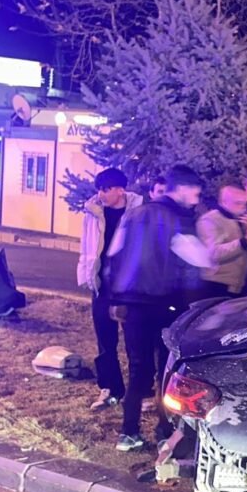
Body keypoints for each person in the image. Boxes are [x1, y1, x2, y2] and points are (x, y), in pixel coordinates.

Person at [106, 165, 211, 451]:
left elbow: (113, 256)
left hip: (133, 307)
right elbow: (200, 261)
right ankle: (164, 429)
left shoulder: (134, 214)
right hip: (167, 305)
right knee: (166, 370)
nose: (197, 197)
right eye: (194, 191)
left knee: (138, 369)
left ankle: (128, 432)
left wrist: (115, 298)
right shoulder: (179, 220)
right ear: (180, 189)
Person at [77, 168, 144, 412]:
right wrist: (86, 275)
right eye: (99, 189)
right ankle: (110, 388)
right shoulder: (93, 213)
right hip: (102, 286)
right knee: (105, 340)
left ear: (120, 189)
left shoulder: (138, 212)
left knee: (135, 341)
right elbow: (86, 246)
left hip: (129, 288)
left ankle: (141, 391)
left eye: (105, 189)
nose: (101, 194)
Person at [197, 183, 247, 297]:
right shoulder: (209, 220)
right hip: (215, 285)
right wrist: (245, 242)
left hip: (238, 286)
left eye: (245, 203)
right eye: (238, 203)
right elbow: (213, 254)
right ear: (223, 202)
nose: (243, 207)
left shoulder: (243, 220)